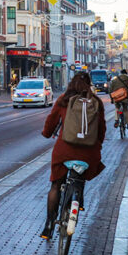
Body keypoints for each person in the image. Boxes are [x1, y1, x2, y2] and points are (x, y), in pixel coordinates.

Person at [40, 72, 106, 240]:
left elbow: (51, 121)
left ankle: (48, 225)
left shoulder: (63, 100)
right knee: (82, 171)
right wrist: (97, 144)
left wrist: (47, 133)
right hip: (88, 152)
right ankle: (79, 198)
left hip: (64, 150)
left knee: (55, 185)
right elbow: (101, 129)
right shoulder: (96, 102)